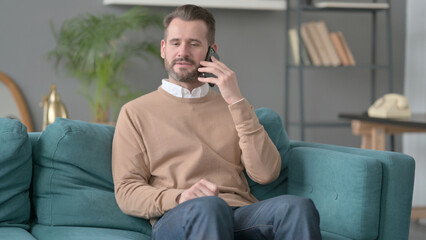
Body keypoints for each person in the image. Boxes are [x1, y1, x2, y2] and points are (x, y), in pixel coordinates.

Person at [112, 4, 321, 240]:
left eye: (194, 44)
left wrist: (235, 100)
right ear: (163, 48)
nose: (183, 52)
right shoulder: (135, 112)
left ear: (211, 52)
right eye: (175, 43)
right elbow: (127, 191)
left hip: (238, 212)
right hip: (179, 215)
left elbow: (266, 173)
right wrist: (180, 197)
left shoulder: (235, 108)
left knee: (297, 207)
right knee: (210, 206)